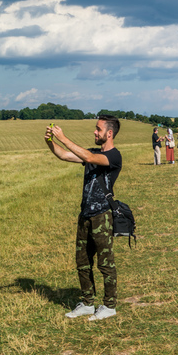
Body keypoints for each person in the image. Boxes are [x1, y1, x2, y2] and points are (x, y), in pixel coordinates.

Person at [45, 115, 125, 322]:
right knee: (82, 262)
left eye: (98, 129)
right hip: (85, 215)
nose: (94, 132)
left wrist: (63, 136)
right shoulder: (93, 153)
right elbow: (63, 155)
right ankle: (88, 303)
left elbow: (89, 158)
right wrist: (50, 142)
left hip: (102, 216)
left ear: (109, 133)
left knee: (105, 263)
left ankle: (109, 306)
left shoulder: (114, 157)